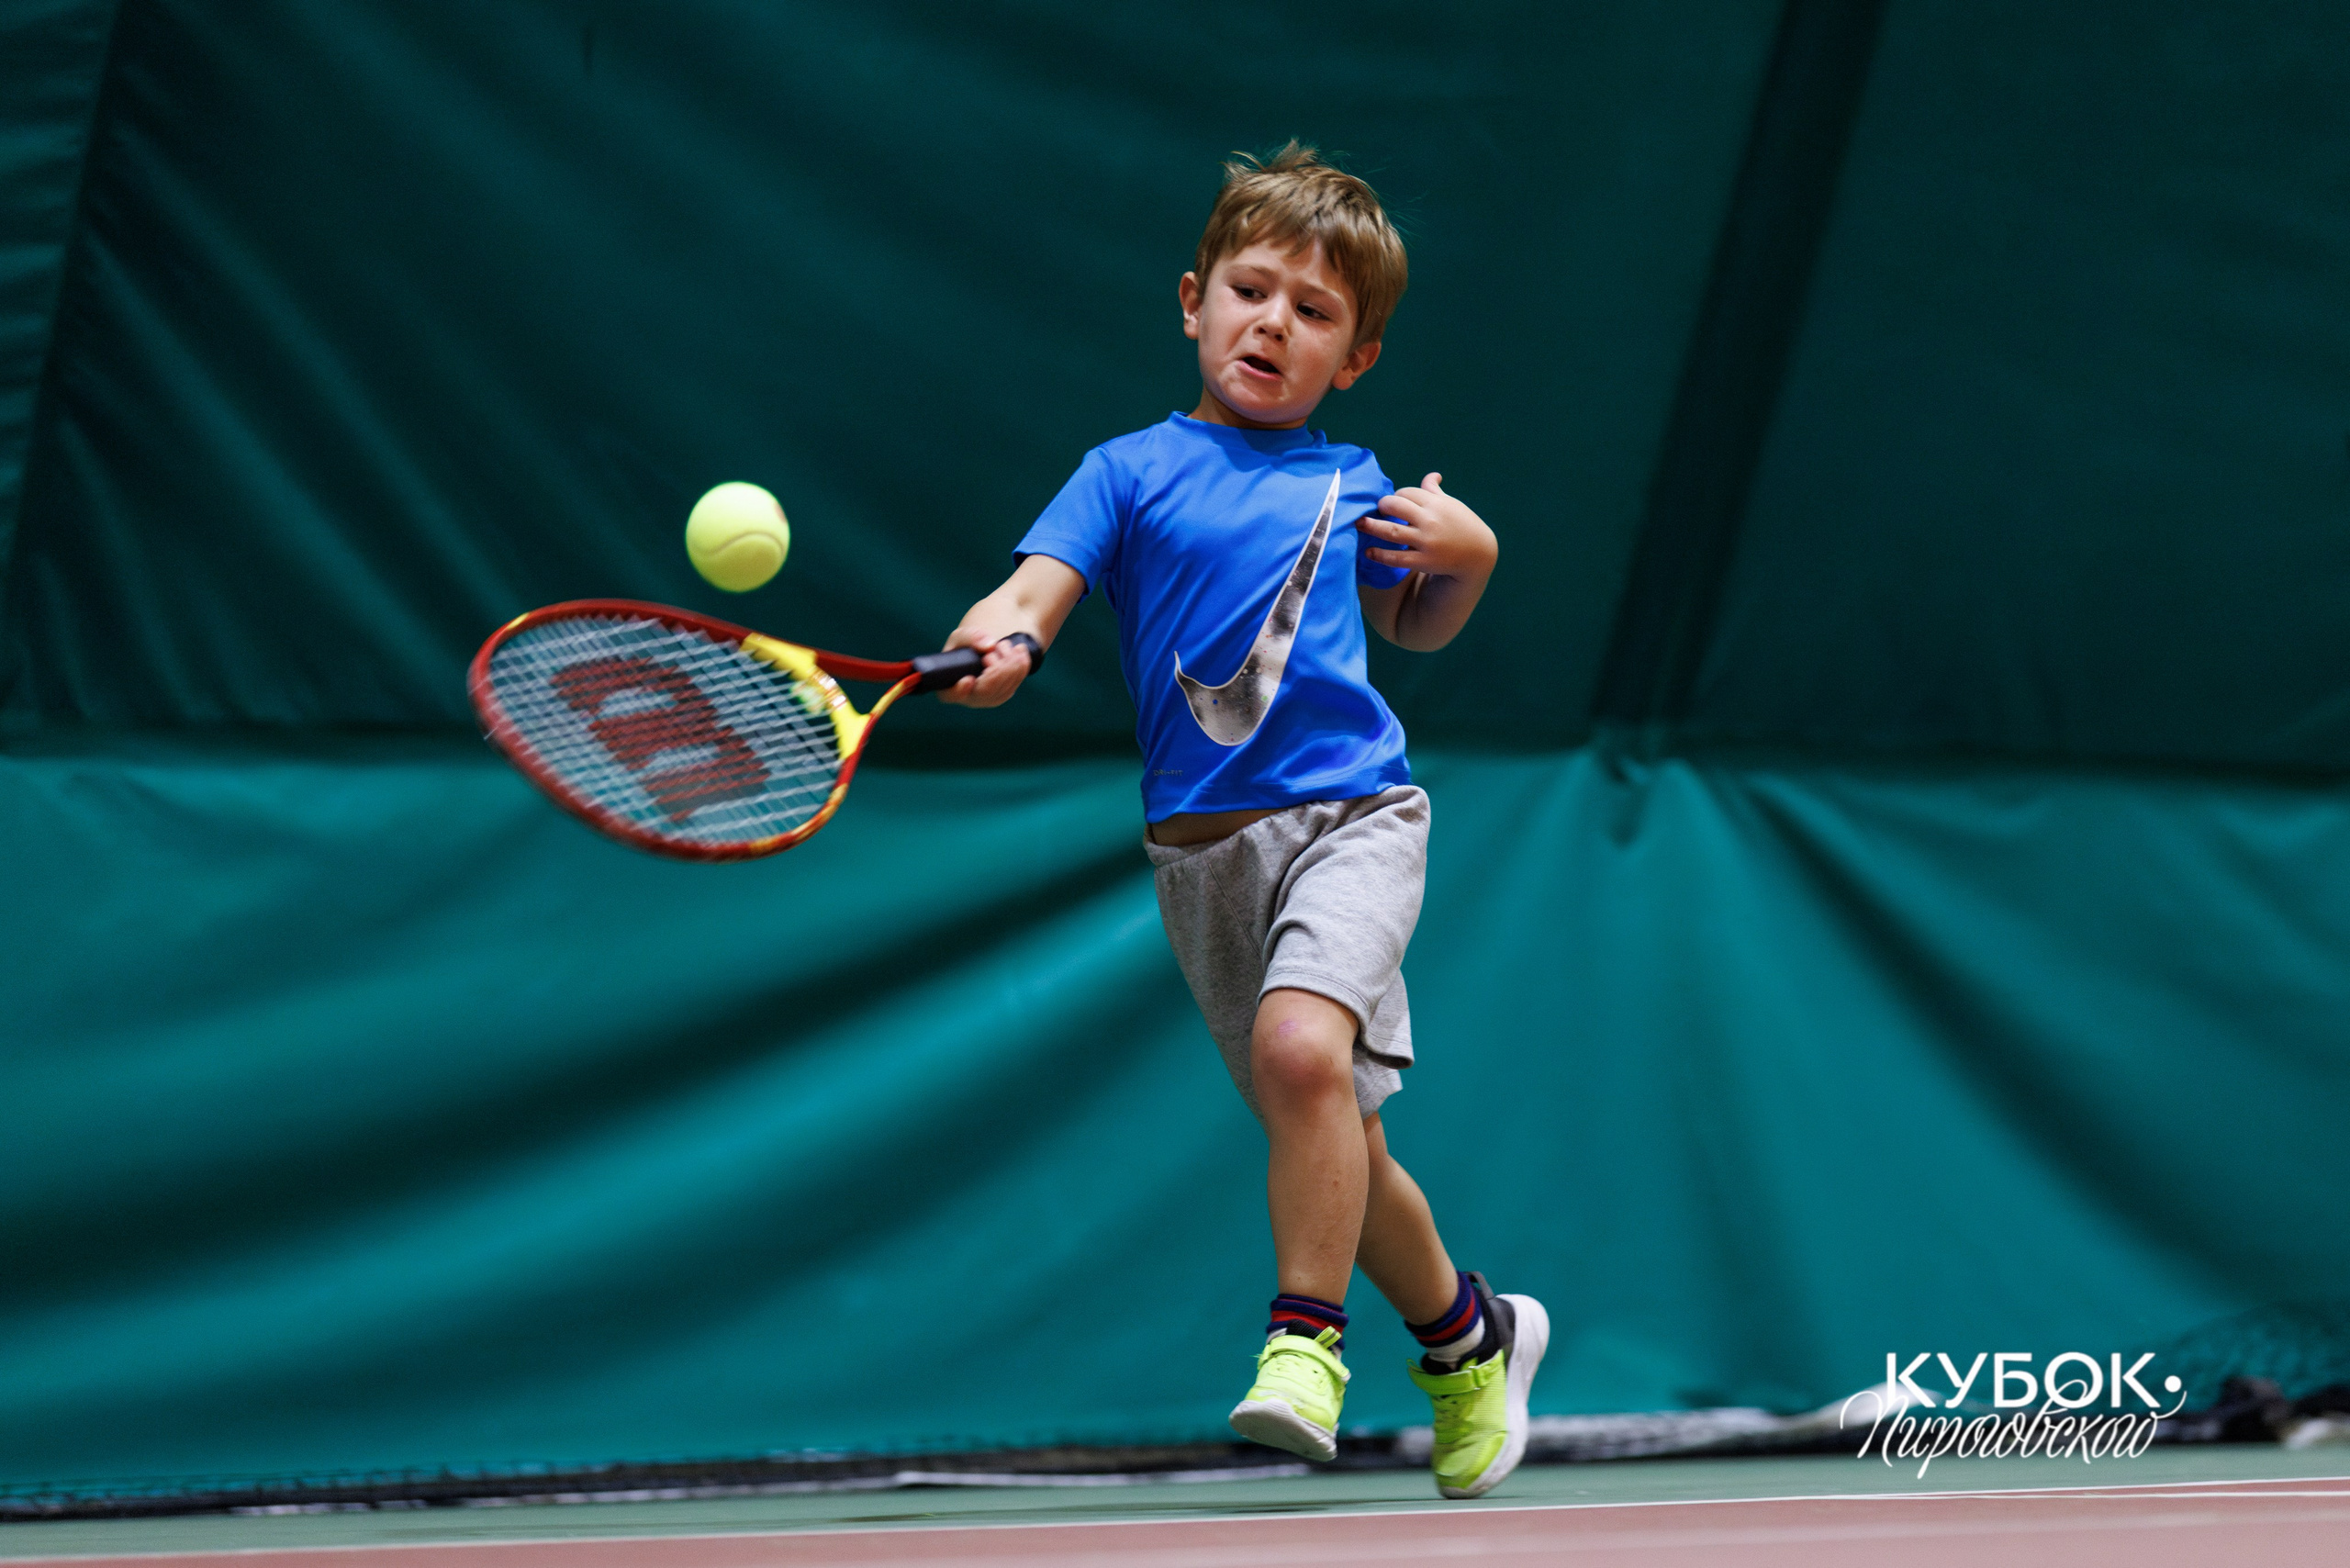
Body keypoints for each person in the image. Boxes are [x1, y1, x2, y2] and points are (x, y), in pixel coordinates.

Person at [937, 141, 1544, 1500]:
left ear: (1357, 357)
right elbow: (1030, 595)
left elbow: (1418, 625)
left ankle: (1305, 1345)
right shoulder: (1125, 471)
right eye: (1250, 291)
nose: (1273, 323)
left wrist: (1474, 558)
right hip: (1202, 862)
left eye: (1313, 311)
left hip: (1353, 821)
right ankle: (1470, 1341)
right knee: (1327, 1122)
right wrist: (1002, 645)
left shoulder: (1355, 483)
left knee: (1296, 1052)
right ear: (1192, 299)